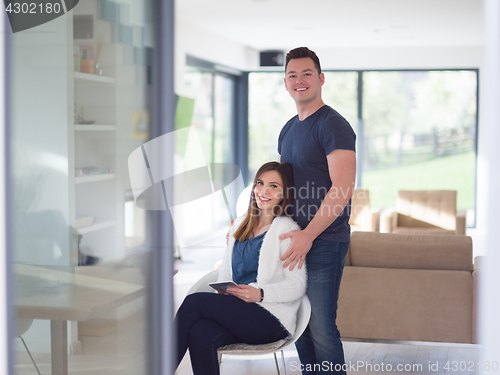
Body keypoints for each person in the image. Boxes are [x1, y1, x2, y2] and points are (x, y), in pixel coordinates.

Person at [175, 161, 307, 375]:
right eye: (260, 183)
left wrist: (260, 293)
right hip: (239, 314)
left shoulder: (286, 231)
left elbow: (297, 286)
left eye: (274, 186)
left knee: (194, 301)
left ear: (284, 194)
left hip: (271, 320)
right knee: (200, 333)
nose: (264, 191)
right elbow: (227, 273)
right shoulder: (238, 227)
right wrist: (225, 291)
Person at [277, 47, 356, 374]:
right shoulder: (287, 129)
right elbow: (280, 189)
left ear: (320, 79)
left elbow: (342, 189)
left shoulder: (334, 125)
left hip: (324, 240)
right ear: (285, 83)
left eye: (307, 73)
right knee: (298, 325)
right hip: (293, 241)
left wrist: (309, 235)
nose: (300, 81)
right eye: (292, 75)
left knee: (322, 327)